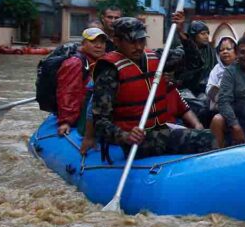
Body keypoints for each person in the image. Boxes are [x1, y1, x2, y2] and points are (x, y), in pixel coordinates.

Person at [91, 17, 215, 158]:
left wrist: (181, 32)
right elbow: (100, 121)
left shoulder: (156, 57)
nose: (138, 47)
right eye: (132, 41)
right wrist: (125, 136)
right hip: (136, 140)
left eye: (141, 40)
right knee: (201, 139)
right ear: (117, 41)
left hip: (161, 129)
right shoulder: (109, 71)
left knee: (208, 136)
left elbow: (195, 62)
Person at [56, 27, 108, 154]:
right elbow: (67, 92)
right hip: (81, 115)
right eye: (93, 42)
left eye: (102, 42)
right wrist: (66, 121)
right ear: (83, 43)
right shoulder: (74, 63)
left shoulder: (103, 62)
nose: (98, 46)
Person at [177, 20, 218, 98]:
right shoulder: (182, 51)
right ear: (193, 35)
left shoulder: (210, 51)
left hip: (204, 89)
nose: (206, 36)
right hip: (186, 89)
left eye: (207, 33)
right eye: (203, 33)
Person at [205, 36, 237, 110]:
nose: (225, 52)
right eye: (221, 50)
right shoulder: (217, 68)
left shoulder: (241, 67)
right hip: (217, 106)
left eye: (228, 49)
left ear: (236, 51)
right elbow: (209, 89)